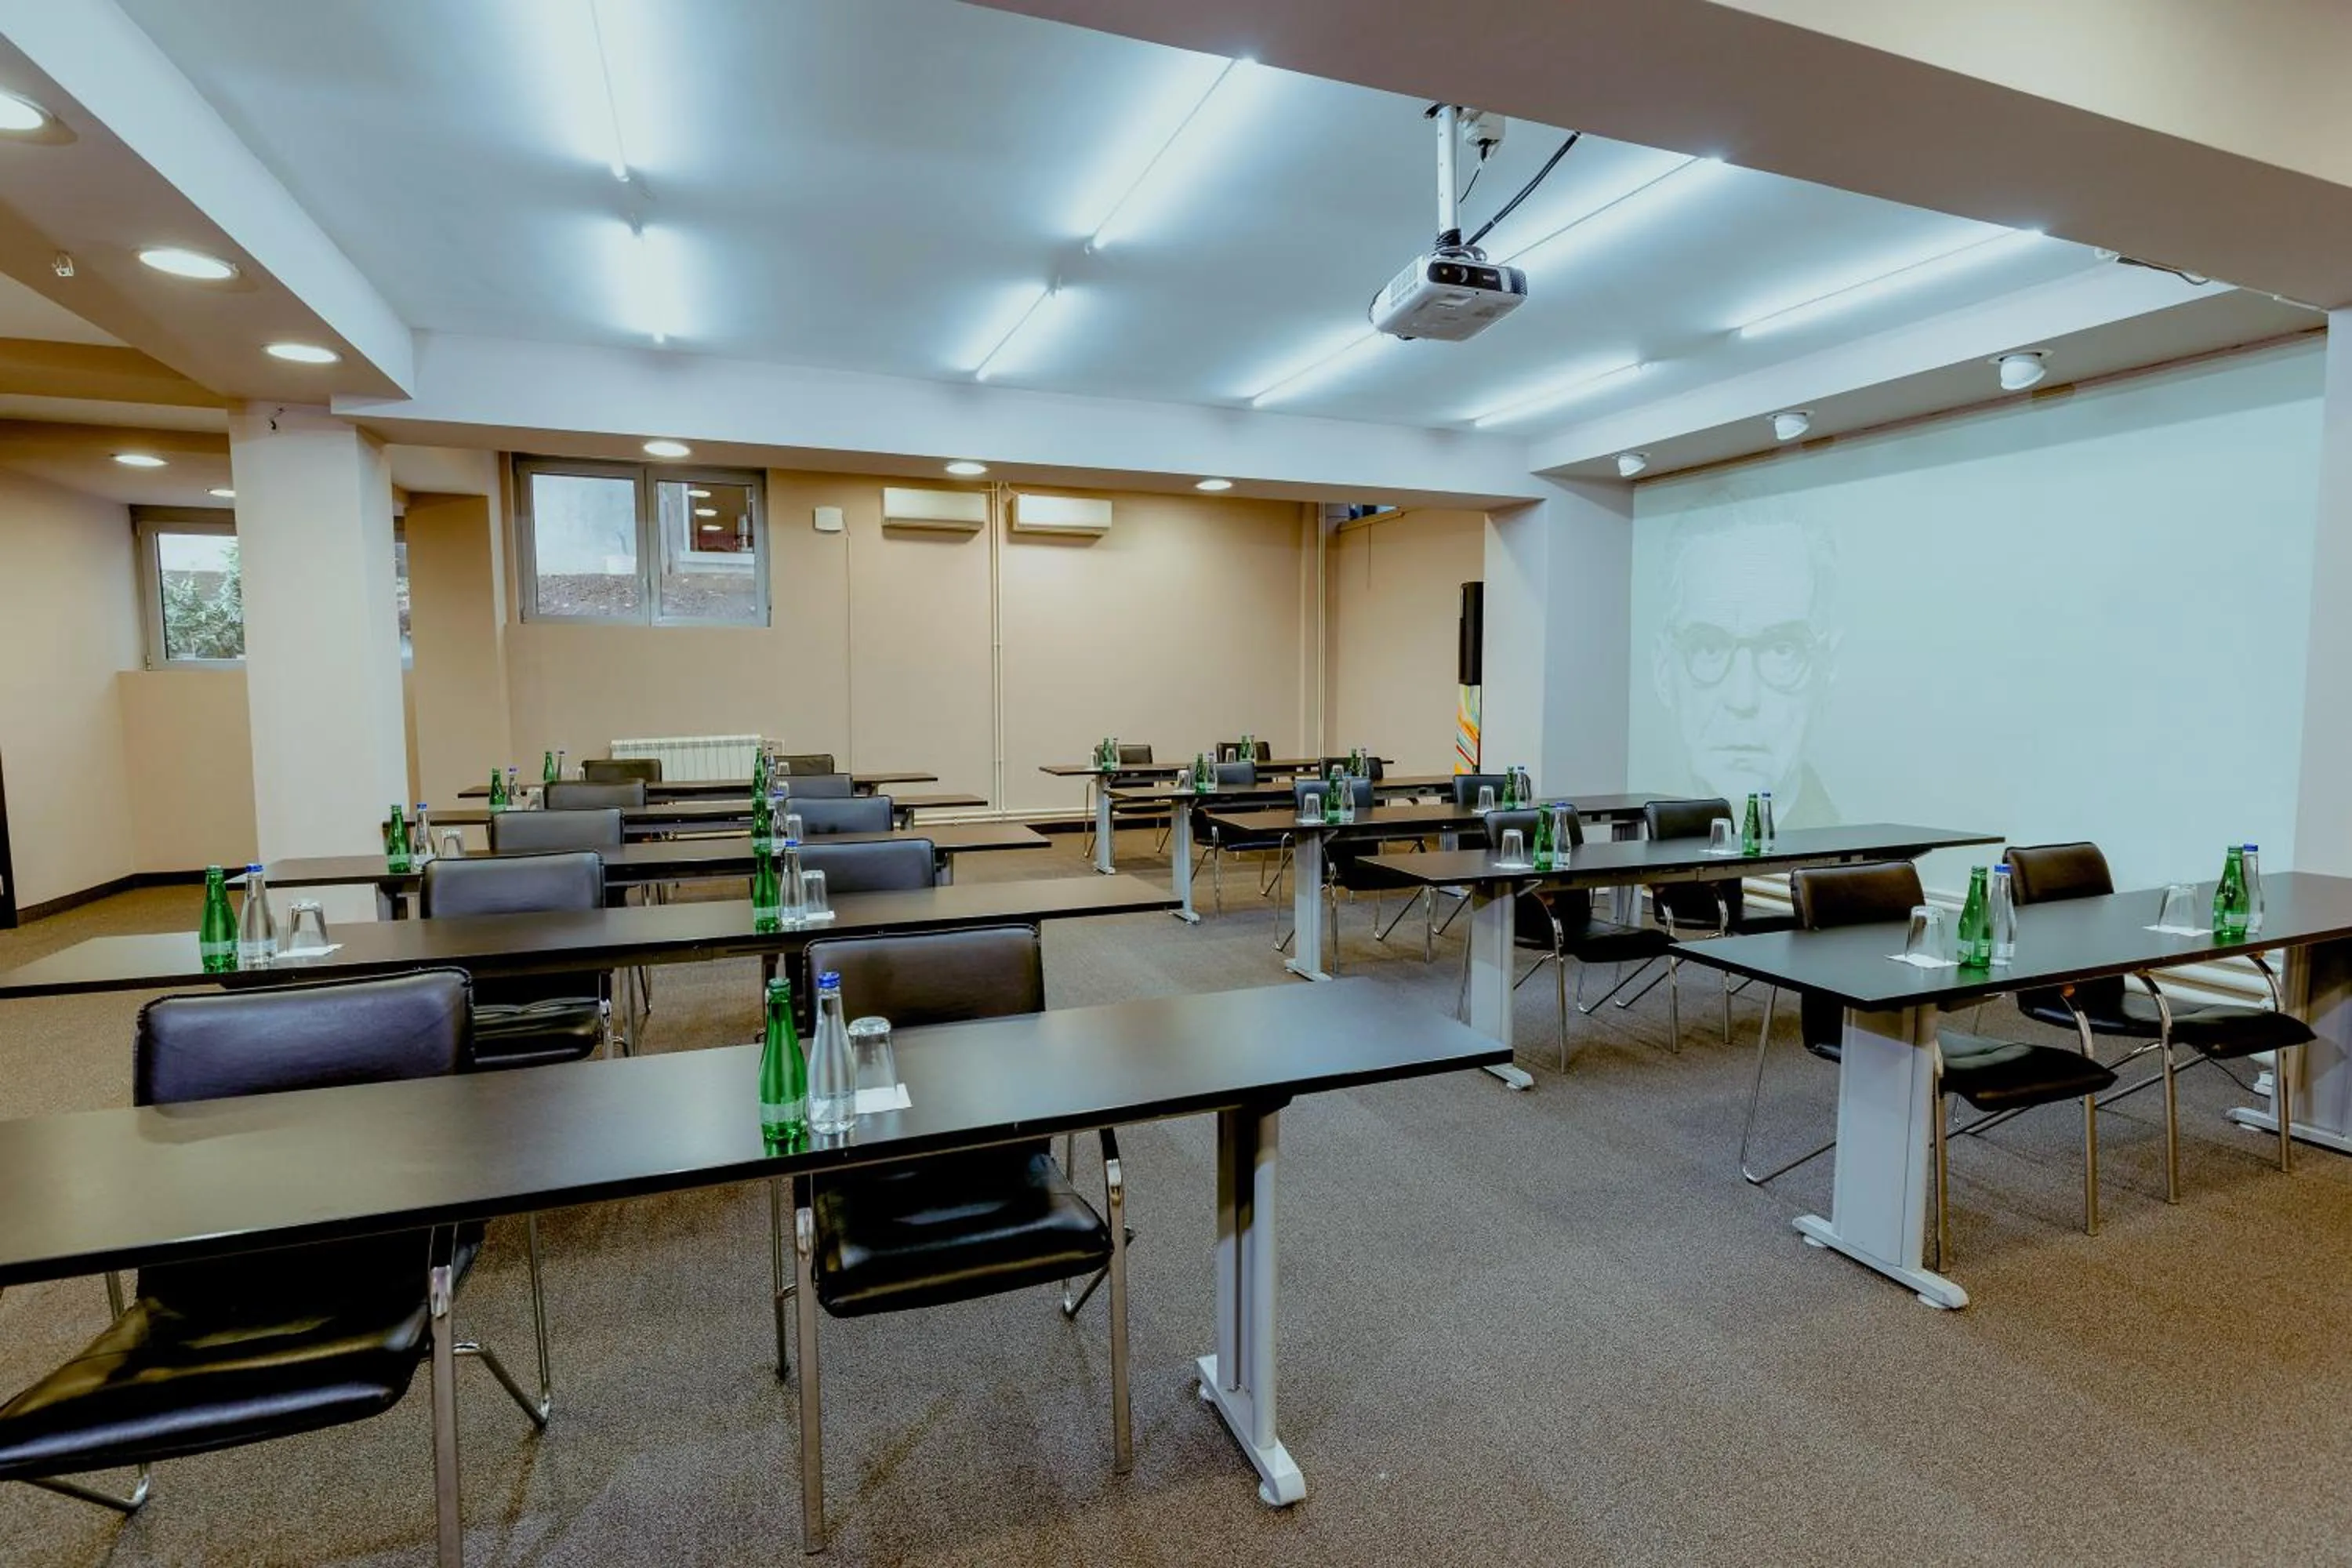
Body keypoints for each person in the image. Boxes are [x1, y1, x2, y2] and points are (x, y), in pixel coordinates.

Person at [1651, 505, 1841, 828]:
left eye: (1783, 650)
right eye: (1708, 647)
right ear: (1663, 670)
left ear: (1828, 672)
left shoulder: (1847, 865)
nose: (1743, 700)